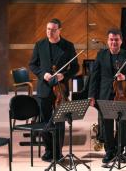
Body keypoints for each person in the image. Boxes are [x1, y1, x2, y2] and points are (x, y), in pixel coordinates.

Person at [29, 18, 79, 162]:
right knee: (45, 120)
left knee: (60, 121)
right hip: (44, 89)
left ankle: (58, 152)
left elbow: (75, 67)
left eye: (53, 29)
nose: (50, 32)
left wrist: (64, 75)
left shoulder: (68, 46)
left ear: (60, 30)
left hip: (61, 89)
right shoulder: (39, 45)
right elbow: (32, 64)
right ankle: (48, 150)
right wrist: (42, 74)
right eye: (48, 29)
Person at [88, 29, 126, 164]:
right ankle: (109, 151)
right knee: (107, 125)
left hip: (123, 95)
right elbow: (94, 77)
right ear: (108, 41)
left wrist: (125, 77)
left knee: (122, 124)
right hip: (105, 94)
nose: (113, 42)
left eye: (116, 40)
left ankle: (119, 151)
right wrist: (91, 96)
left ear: (121, 41)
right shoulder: (101, 55)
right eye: (111, 39)